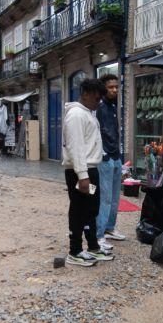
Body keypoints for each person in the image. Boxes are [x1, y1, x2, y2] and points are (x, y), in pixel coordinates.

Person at [62, 78, 114, 267]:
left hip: (90, 170)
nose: (99, 101)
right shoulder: (76, 115)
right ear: (85, 94)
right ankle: (74, 250)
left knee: (91, 209)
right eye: (96, 97)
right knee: (79, 209)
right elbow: (75, 147)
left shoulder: (88, 113)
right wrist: (82, 175)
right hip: (80, 172)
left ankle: (92, 246)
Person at [96, 73, 126, 252]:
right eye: (110, 87)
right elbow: (97, 133)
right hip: (105, 157)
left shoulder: (113, 107)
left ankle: (109, 227)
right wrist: (104, 154)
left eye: (116, 86)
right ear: (103, 89)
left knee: (115, 197)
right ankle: (99, 234)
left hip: (115, 157)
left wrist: (118, 155)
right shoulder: (99, 108)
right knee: (105, 198)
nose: (115, 90)